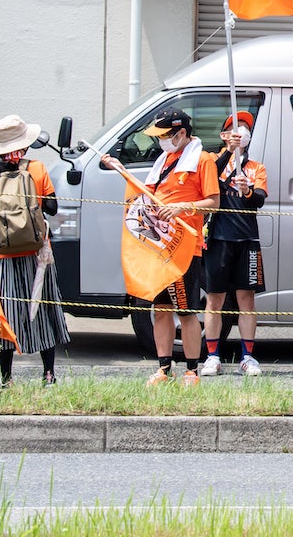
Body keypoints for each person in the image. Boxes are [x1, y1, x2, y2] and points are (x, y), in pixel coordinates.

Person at [102, 108, 218, 387]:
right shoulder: (163, 159)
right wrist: (121, 170)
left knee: (186, 311)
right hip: (159, 247)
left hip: (185, 248)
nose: (160, 140)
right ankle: (164, 368)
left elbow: (214, 202)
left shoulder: (202, 160)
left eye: (165, 135)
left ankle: (192, 371)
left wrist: (182, 207)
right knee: (161, 309)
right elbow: (148, 195)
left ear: (182, 133)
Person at [0, 115, 70, 386]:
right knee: (43, 309)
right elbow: (52, 207)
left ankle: (6, 378)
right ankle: (49, 375)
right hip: (36, 253)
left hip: (2, 255)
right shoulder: (36, 169)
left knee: (6, 313)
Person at [200, 112, 268, 378]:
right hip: (218, 239)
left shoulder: (256, 167)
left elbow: (259, 199)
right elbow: (208, 178)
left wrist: (248, 190)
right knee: (214, 299)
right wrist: (229, 152)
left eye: (246, 129)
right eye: (235, 128)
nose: (241, 133)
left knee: (246, 300)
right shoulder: (211, 160)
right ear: (224, 135)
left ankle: (247, 357)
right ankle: (212, 356)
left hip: (247, 240)